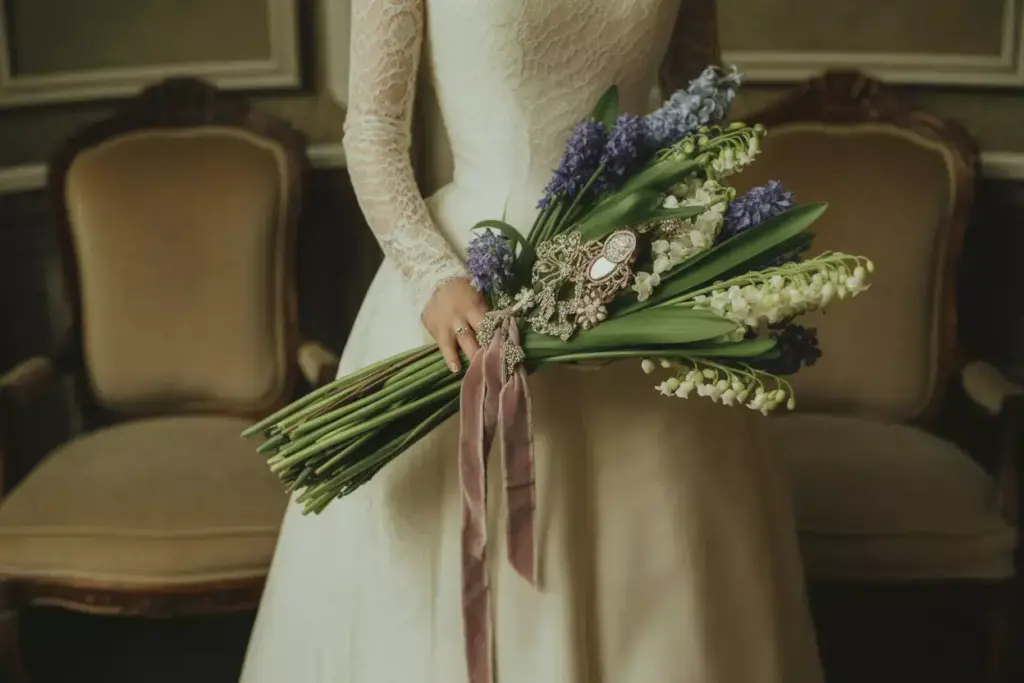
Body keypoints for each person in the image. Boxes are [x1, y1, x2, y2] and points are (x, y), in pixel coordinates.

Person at [240, 1, 824, 681]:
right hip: (472, 275)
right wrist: (432, 276)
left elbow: (701, 101)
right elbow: (371, 129)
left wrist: (659, 226)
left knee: (665, 583)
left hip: (635, 269)